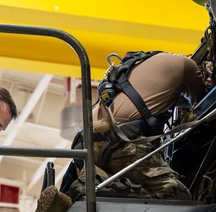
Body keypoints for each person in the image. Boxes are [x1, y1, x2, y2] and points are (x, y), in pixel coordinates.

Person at [83, 52, 207, 200]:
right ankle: (114, 192)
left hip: (89, 145)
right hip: (123, 143)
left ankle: (88, 190)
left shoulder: (137, 65)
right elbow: (202, 103)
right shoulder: (187, 65)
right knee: (177, 195)